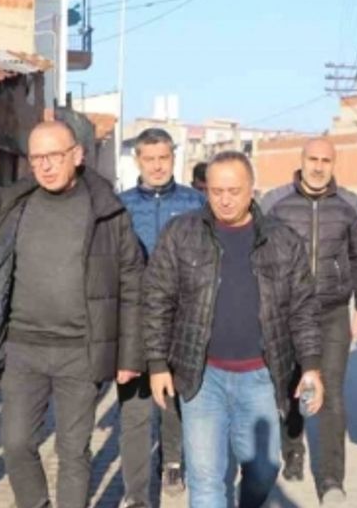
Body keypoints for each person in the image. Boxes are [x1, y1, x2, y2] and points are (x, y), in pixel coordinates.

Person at [0, 121, 143, 508]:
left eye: (54, 156)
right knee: (15, 443)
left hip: (81, 351)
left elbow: (131, 285)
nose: (44, 166)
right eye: (36, 158)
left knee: (73, 451)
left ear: (77, 155)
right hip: (22, 350)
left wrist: (130, 357)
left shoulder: (108, 212)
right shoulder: (13, 207)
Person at [142, 151, 325, 508]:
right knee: (205, 479)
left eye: (234, 191)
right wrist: (158, 364)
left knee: (264, 469)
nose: (225, 200)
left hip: (261, 376)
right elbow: (156, 300)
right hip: (201, 376)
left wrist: (311, 367)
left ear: (251, 189)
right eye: (216, 191)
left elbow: (303, 308)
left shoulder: (282, 239)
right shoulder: (182, 233)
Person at [260, 137, 357, 502]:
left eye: (326, 160)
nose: (319, 166)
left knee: (332, 392)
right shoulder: (274, 202)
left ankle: (331, 481)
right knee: (288, 385)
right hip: (285, 312)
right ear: (302, 160)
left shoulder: (349, 205)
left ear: (333, 164)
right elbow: (258, 253)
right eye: (313, 159)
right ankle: (293, 449)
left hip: (331, 312)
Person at [117, 128, 206, 505]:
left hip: (181, 315)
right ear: (137, 160)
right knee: (135, 408)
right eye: (149, 159)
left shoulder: (195, 203)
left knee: (174, 396)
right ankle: (136, 494)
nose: (157, 166)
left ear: (173, 158)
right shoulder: (120, 206)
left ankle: (172, 461)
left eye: (163, 158)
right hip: (134, 318)